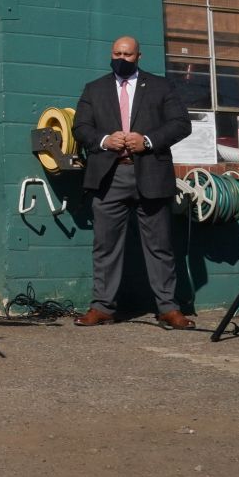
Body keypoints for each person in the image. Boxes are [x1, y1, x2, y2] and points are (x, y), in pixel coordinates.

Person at [72, 36, 194, 330]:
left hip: (151, 173)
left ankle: (168, 307)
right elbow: (80, 127)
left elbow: (181, 124)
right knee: (105, 246)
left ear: (139, 56)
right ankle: (102, 307)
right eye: (117, 53)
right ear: (110, 54)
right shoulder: (94, 89)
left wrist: (148, 141)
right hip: (109, 176)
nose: (122, 58)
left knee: (160, 245)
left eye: (127, 54)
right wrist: (104, 140)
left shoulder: (161, 86)